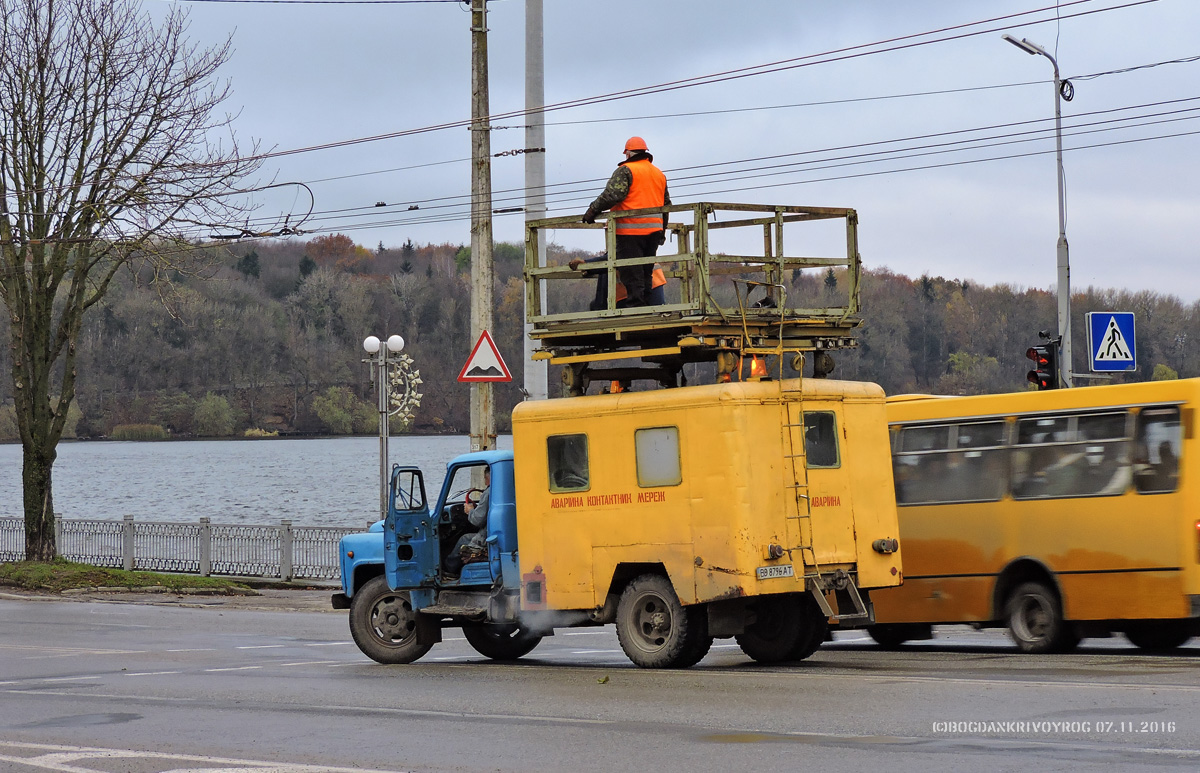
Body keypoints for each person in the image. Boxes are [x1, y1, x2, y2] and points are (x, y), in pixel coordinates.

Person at [581, 136, 670, 307]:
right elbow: (666, 206)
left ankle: (636, 308)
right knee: (645, 271)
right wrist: (662, 232)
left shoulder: (626, 170)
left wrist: (592, 211)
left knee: (631, 272)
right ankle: (647, 307)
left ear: (628, 153)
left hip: (630, 231)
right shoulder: (659, 174)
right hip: (653, 232)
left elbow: (613, 195)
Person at [568, 255, 666, 310]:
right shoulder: (637, 243)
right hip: (652, 283)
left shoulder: (625, 244)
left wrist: (587, 265)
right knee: (658, 314)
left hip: (648, 286)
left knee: (656, 314)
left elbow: (611, 257)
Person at [443, 467, 490, 578]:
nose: (484, 480)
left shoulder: (488, 493)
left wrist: (470, 511)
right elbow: (483, 513)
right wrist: (476, 509)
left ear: (488, 477)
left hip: (486, 535)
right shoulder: (500, 491)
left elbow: (477, 520)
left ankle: (450, 570)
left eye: (484, 478)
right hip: (492, 532)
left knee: (464, 539)